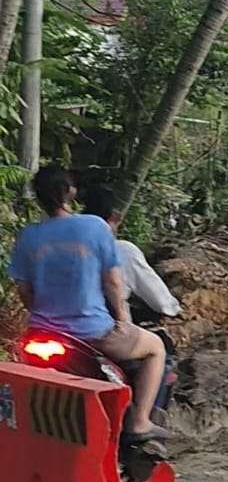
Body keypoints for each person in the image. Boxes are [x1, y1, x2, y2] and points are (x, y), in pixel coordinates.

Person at [7, 165, 168, 441]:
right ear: (69, 192)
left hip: (41, 333)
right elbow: (113, 282)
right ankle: (140, 422)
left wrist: (41, 314)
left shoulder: (28, 235)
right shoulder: (94, 226)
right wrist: (121, 320)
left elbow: (24, 289)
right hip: (91, 334)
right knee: (156, 348)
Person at [81, 183, 181, 320]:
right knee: (154, 342)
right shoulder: (123, 250)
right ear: (115, 216)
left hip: (56, 323)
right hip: (103, 328)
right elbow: (158, 298)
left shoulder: (64, 249)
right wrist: (174, 308)